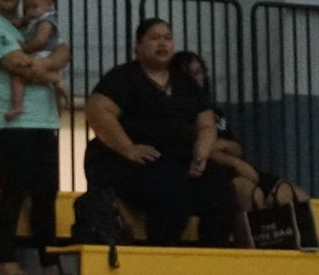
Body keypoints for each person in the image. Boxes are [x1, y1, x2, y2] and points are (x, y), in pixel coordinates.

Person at [83, 19, 237, 247]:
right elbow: (97, 109)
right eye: (155, 38)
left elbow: (206, 123)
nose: (162, 43)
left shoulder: (184, 82)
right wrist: (128, 148)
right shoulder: (124, 76)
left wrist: (201, 154)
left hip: (178, 160)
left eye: (167, 37)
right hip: (129, 162)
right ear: (138, 45)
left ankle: (212, 257)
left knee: (220, 188)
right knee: (173, 189)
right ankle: (161, 253)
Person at [0, 0, 63, 275]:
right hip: (8, 122)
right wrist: (54, 76)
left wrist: (55, 64)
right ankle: (7, 261)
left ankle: (49, 261)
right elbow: (19, 64)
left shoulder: (34, 24)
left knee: (46, 192)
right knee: (14, 189)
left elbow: (64, 51)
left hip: (44, 119)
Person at [170, 51, 311, 221]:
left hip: (239, 166)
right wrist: (234, 162)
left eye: (199, 72)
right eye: (189, 74)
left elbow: (236, 148)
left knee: (298, 196)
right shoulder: (177, 111)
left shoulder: (215, 111)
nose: (196, 79)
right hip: (213, 173)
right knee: (253, 195)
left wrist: (221, 144)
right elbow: (200, 150)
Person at [6, 0, 71, 121]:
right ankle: (59, 101)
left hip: (43, 54)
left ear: (50, 4)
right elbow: (24, 21)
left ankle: (17, 106)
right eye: (26, 8)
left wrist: (25, 48)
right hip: (44, 55)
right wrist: (20, 22)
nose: (30, 12)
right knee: (51, 89)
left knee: (18, 78)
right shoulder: (36, 18)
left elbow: (41, 40)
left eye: (34, 6)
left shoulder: (46, 21)